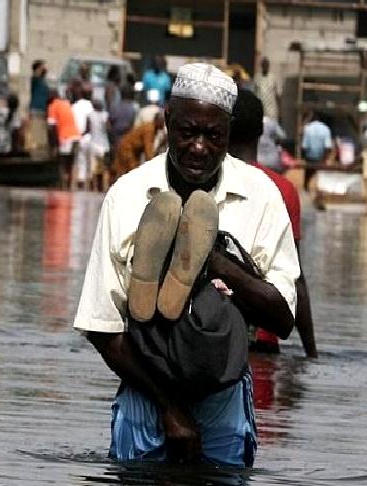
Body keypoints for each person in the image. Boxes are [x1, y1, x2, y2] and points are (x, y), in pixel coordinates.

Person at [73, 63, 300, 467]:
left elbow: (282, 319)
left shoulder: (261, 196)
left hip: (222, 390)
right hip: (148, 391)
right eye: (188, 132)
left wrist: (216, 264)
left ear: (229, 132)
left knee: (217, 299)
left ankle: (201, 261)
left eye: (213, 135)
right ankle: (164, 279)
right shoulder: (128, 195)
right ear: (167, 121)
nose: (199, 146)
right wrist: (169, 408)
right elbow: (101, 327)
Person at [228, 89, 317, 358]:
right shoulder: (283, 189)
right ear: (260, 132)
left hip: (211, 337)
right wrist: (311, 352)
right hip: (263, 344)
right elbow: (295, 278)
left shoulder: (207, 180)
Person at [111, 112, 165, 181]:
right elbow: (148, 151)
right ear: (158, 121)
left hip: (134, 151)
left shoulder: (153, 128)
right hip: (128, 148)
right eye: (163, 122)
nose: (164, 125)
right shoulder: (149, 129)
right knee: (131, 171)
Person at [47, 89, 81, 188]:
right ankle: (69, 186)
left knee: (62, 163)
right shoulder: (66, 103)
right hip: (76, 135)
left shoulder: (52, 106)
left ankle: (63, 187)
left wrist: (54, 145)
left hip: (65, 137)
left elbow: (51, 127)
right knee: (70, 163)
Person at [301, 111, 334, 190]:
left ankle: (306, 187)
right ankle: (320, 190)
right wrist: (325, 158)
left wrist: (304, 157)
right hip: (321, 156)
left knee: (308, 173)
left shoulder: (308, 128)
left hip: (310, 157)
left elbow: (304, 146)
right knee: (321, 175)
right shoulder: (326, 129)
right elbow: (328, 146)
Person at [253, 57, 280, 121]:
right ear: (261, 66)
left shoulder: (273, 77)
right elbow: (254, 95)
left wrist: (280, 112)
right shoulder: (257, 77)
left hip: (271, 112)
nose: (265, 66)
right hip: (260, 111)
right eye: (264, 65)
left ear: (268, 66)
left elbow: (277, 95)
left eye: (266, 65)